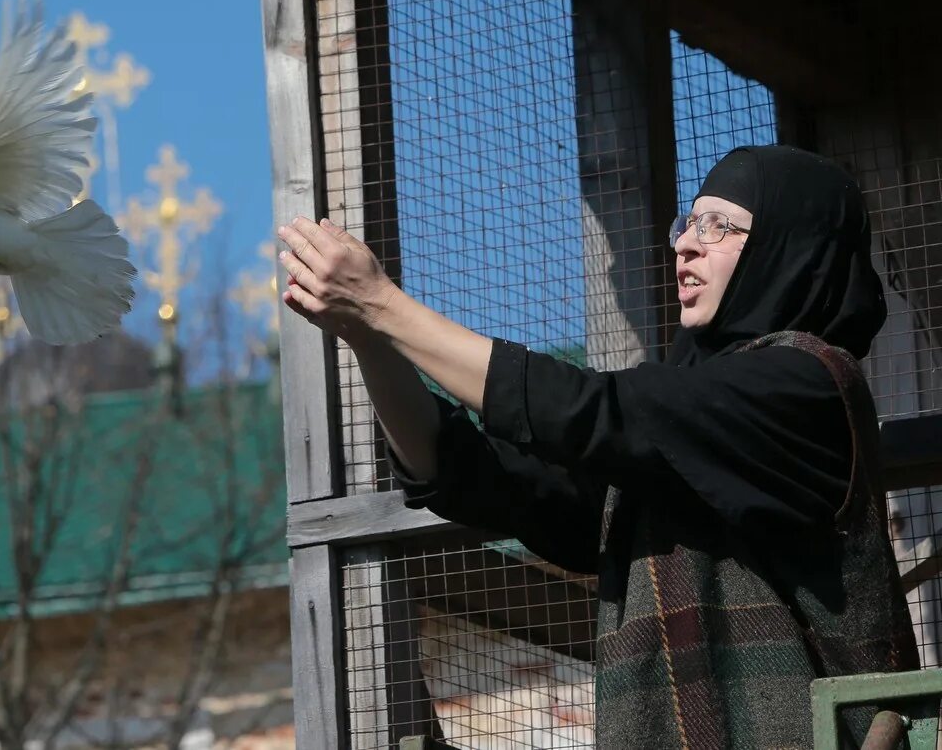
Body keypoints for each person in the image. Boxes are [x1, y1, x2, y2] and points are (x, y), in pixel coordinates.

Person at [275, 145, 921, 748]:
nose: (687, 247)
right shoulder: (670, 444)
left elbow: (592, 412)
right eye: (687, 224)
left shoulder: (809, 387)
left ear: (788, 249)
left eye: (719, 227)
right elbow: (480, 478)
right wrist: (367, 335)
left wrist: (384, 303)